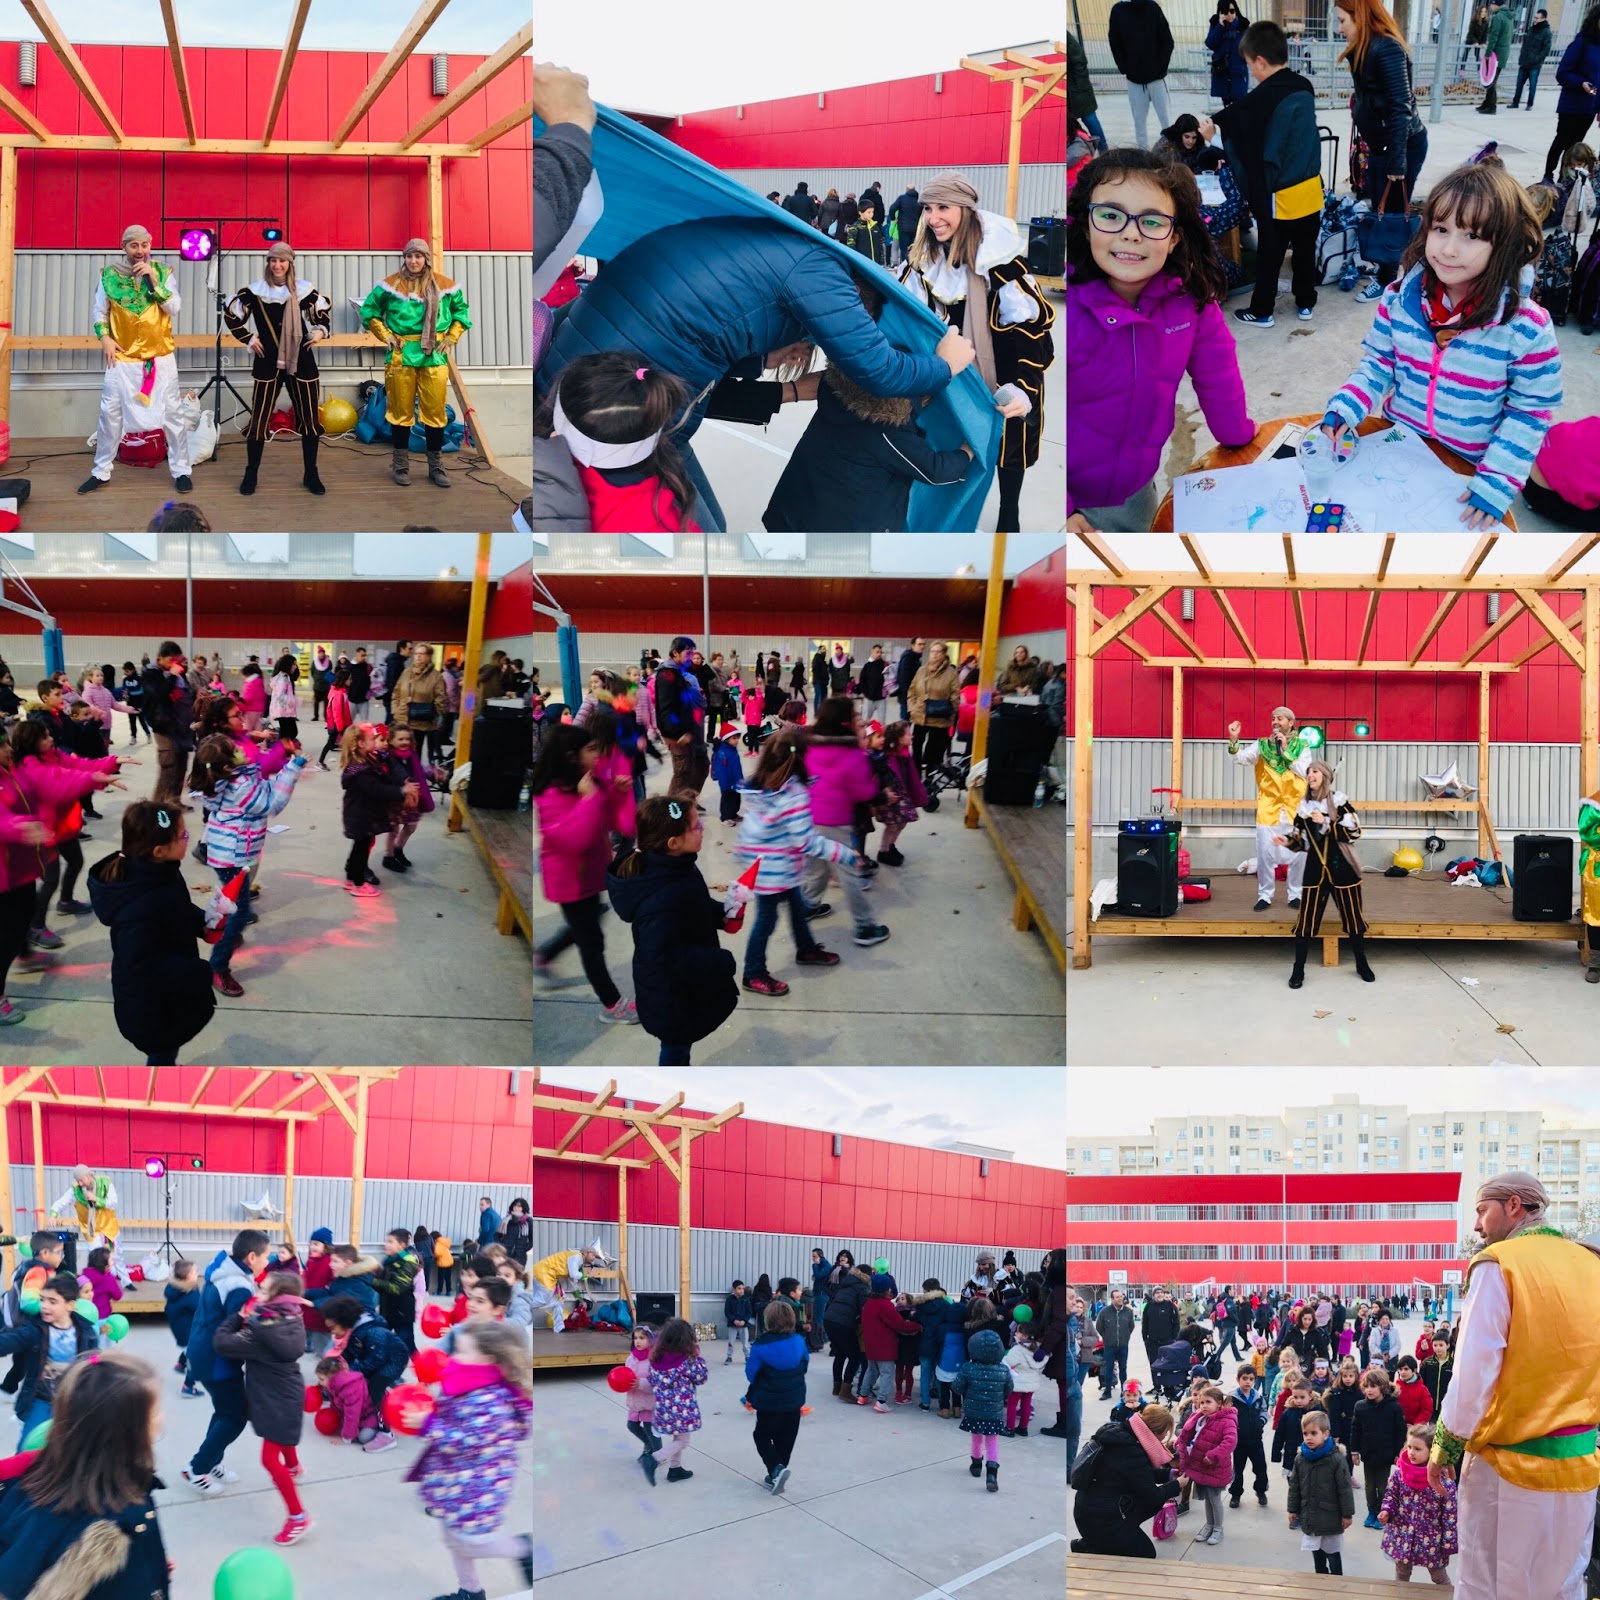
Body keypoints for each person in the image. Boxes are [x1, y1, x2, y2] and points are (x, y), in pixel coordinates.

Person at [540, 220, 973, 534]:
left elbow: (708, 342)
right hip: (613, 406)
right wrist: (945, 366)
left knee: (709, 529)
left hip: (593, 368)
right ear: (853, 306)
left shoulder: (781, 250)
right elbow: (880, 370)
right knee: (702, 541)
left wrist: (764, 362)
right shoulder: (821, 276)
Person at [1323, 157, 1560, 528]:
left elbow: (1530, 411)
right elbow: (1380, 364)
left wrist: (1497, 480)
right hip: (1397, 445)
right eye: (1441, 229)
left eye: (1472, 236)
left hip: (1467, 470)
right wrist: (1348, 405)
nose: (1449, 249)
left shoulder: (1527, 328)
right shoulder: (1398, 299)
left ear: (1505, 244)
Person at [1428, 1173, 1600, 1600]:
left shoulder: (1498, 1263)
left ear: (1514, 1205)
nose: (1477, 1225)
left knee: (1486, 1584)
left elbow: (1474, 1373)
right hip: (1581, 1468)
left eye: (1481, 1211)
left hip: (1506, 1471)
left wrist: (1444, 1448)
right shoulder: (1591, 1263)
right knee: (1564, 1586)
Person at [1066, 148, 1255, 533]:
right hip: (1069, 496)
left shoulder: (1191, 301)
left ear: (1173, 238)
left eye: (1152, 221)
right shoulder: (1063, 309)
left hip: (1137, 488)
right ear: (1086, 226)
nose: (1130, 233)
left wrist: (1238, 437)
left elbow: (1218, 375)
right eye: (1111, 215)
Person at [897, 172, 1055, 532]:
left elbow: (1031, 331)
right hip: (952, 371)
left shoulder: (1001, 262)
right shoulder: (923, 261)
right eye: (928, 208)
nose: (933, 217)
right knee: (953, 443)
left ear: (965, 209)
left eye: (943, 207)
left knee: (1010, 446)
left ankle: (1009, 513)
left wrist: (1022, 386)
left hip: (1006, 371)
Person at [0, 1350, 172, 1597]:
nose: (162, 1417)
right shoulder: (112, 1527)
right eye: (154, 1411)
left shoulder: (37, 1477)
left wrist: (150, 1563)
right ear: (125, 1431)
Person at [1207, 22, 1324, 330]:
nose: (1251, 72)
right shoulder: (1304, 86)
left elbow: (1242, 139)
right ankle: (1306, 303)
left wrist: (1212, 135)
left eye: (1249, 65)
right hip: (1311, 189)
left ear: (1259, 61)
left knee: (1270, 255)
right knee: (1304, 251)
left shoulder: (1261, 98)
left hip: (1280, 195)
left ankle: (1262, 311)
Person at [607, 793, 738, 1066]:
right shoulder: (660, 896)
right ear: (673, 842)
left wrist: (722, 913)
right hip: (671, 995)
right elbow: (663, 956)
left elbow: (693, 905)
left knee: (679, 1043)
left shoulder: (678, 865)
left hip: (681, 987)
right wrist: (721, 960)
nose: (702, 828)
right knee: (675, 1048)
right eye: (695, 826)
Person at [405, 1320, 534, 1589]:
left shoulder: (491, 1401)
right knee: (453, 1540)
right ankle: (470, 1590)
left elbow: (468, 1441)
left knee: (470, 1542)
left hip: (477, 1484)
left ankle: (523, 1549)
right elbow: (450, 1415)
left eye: (462, 1352)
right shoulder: (463, 1381)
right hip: (454, 1477)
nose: (453, 1357)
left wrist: (428, 1424)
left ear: (487, 1360)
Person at [86, 801, 213, 1066]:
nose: (188, 838)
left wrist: (203, 921)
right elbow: (142, 967)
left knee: (166, 1049)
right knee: (162, 1052)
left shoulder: (161, 872)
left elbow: (177, 908)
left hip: (167, 994)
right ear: (159, 850)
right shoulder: (138, 907)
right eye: (183, 835)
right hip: (152, 1007)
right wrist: (200, 970)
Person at [735, 728, 853, 996]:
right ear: (800, 757)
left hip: (769, 865)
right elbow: (806, 841)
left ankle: (806, 949)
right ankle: (753, 972)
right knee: (766, 920)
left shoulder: (760, 785)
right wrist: (844, 853)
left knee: (798, 907)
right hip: (774, 871)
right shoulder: (793, 794)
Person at [80, 223, 192, 495]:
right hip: (122, 359)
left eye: (144, 245)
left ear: (150, 246)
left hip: (160, 358)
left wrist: (154, 280)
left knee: (173, 416)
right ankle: (101, 471)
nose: (140, 251)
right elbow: (99, 312)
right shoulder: (109, 276)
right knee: (109, 415)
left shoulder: (163, 273)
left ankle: (181, 470)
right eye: (134, 246)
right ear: (124, 247)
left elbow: (174, 307)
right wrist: (105, 338)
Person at [1336, 0, 1430, 303]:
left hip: (1400, 146)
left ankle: (1388, 279)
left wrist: (1397, 161)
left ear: (1360, 16)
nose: (1340, 28)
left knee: (1390, 214)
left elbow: (1401, 107)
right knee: (1380, 207)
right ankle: (1385, 267)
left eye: (1342, 20)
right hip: (1384, 146)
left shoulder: (1386, 48)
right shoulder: (1367, 48)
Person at [212, 1270, 314, 1546]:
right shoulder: (292, 1317)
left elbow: (222, 1342)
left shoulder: (260, 1331)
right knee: (281, 1436)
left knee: (269, 1459)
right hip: (288, 1393)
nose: (258, 1292)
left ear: (278, 1297)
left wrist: (239, 1316)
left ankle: (298, 1517)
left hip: (275, 1400)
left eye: (264, 1290)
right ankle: (293, 1467)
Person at [360, 239, 470, 489]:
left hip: (434, 355)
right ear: (404, 258)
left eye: (418, 256)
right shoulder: (390, 286)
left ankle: (436, 466)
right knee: (400, 411)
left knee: (435, 412)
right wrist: (386, 335)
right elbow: (369, 311)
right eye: (409, 256)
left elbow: (461, 314)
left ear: (426, 259)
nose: (413, 261)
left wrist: (451, 338)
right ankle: (400, 465)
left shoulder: (445, 286)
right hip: (402, 354)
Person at [224, 240, 332, 495]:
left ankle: (311, 473)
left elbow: (320, 317)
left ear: (289, 263)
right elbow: (232, 316)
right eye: (273, 260)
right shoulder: (255, 291)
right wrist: (248, 338)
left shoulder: (304, 290)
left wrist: (319, 332)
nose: (277, 265)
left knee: (309, 418)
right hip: (267, 360)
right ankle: (251, 473)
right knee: (260, 419)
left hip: (301, 359)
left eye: (282, 260)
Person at [183, 1228, 271, 1495]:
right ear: (252, 1257)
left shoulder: (222, 1270)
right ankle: (197, 1468)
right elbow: (240, 1329)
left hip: (203, 1350)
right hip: (216, 1358)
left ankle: (211, 1461)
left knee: (224, 1411)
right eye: (266, 1256)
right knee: (235, 1416)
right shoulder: (238, 1286)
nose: (268, 1261)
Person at [1276, 756, 1374, 987]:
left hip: (1342, 869)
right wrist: (1286, 841)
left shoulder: (1340, 802)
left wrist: (1328, 821)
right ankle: (1298, 970)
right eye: (1309, 772)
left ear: (1325, 776)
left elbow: (1356, 832)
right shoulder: (1303, 808)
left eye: (1315, 772)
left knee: (1353, 918)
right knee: (1306, 921)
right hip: (1314, 870)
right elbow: (1300, 841)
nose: (1310, 775)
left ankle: (1362, 963)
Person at [1225, 708, 1312, 913]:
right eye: (1273, 718)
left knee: (1299, 854)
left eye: (1280, 718)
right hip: (1268, 808)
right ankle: (1265, 895)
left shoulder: (1302, 746)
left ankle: (1296, 894)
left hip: (1295, 809)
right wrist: (1234, 739)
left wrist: (1286, 750)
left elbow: (1304, 771)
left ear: (1290, 722)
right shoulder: (1262, 745)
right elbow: (1240, 758)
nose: (1275, 722)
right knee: (1265, 854)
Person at [339, 722, 413, 899]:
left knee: (359, 847)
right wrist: (401, 791)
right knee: (361, 851)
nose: (377, 742)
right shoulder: (359, 769)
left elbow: (385, 776)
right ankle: (358, 885)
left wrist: (402, 783)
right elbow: (377, 789)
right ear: (361, 744)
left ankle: (351, 878)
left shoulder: (368, 760)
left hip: (364, 814)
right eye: (373, 739)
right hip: (360, 816)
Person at [1381, 1422, 1459, 1584]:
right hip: (1403, 1534)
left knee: (1438, 1576)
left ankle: (1447, 1595)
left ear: (1432, 1452)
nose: (1411, 1452)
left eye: (1417, 1449)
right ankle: (1400, 1595)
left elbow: (1450, 1515)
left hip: (1432, 1539)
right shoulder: (1399, 1474)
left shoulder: (1443, 1482)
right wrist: (1386, 1510)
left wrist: (1448, 1542)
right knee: (1402, 1573)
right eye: (1409, 1447)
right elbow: (1391, 1495)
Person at [640, 1317, 708, 1486]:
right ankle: (654, 1459)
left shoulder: (656, 1360)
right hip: (682, 1411)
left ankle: (675, 1469)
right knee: (683, 1441)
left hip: (663, 1410)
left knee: (678, 1438)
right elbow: (701, 1377)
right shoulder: (688, 1361)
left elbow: (651, 1380)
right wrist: (697, 1357)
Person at [1288, 1407, 1355, 1576]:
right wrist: (1293, 1509)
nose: (1308, 1437)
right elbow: (1294, 1486)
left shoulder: (1336, 1459)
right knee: (1316, 1552)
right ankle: (1320, 1579)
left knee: (1332, 1553)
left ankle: (1336, 1580)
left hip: (1331, 1517)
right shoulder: (1300, 1458)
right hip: (1310, 1516)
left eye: (1313, 1433)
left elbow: (1345, 1489)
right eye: (1305, 1433)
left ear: (1325, 1434)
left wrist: (1347, 1514)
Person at [1108, 0, 1176, 148]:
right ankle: (1143, 155)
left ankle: (1171, 153)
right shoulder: (1118, 11)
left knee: (1166, 122)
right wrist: (1125, 68)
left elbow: (1167, 40)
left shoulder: (1152, 7)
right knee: (1139, 124)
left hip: (1157, 79)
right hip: (1134, 80)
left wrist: (1161, 67)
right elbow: (1114, 41)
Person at [1178, 1380, 1239, 1543]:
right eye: (1202, 1402)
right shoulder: (1200, 1418)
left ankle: (1218, 1528)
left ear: (1219, 1403)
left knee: (1214, 1498)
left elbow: (1230, 1441)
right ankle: (1209, 1525)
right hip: (1202, 1466)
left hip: (1215, 1467)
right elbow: (1190, 1434)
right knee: (1208, 1498)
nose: (1204, 1405)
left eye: (1208, 1402)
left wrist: (1213, 1455)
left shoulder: (1227, 1420)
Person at [1546, 8, 1600, 182]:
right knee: (1561, 141)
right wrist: (1581, 82)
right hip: (1572, 104)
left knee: (1575, 146)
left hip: (1590, 107)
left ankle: (1564, 180)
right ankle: (1548, 175)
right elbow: (1563, 73)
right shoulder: (1581, 43)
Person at [140, 642, 196, 806]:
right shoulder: (151, 674)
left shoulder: (179, 675)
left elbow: (185, 694)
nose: (174, 664)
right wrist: (172, 676)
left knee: (181, 764)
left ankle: (174, 801)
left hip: (180, 724)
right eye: (171, 660)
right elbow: (159, 695)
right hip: (162, 725)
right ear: (160, 658)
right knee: (169, 765)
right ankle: (157, 806)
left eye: (176, 660)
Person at [1352, 1365, 1408, 1529]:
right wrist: (1354, 1451)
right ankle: (1371, 1512)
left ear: (1382, 1387)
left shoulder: (1393, 1407)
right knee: (1370, 1487)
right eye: (1366, 1386)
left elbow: (1400, 1431)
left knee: (1383, 1487)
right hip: (1368, 1454)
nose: (1369, 1390)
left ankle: (1382, 1513)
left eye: (1373, 1386)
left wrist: (1398, 1452)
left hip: (1386, 1455)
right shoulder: (1360, 1407)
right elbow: (1355, 1430)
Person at [907, 640, 961, 783]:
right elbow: (912, 690)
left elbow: (956, 695)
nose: (934, 654)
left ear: (944, 654)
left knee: (933, 751)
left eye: (938, 652)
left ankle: (929, 778)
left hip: (940, 717)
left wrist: (951, 710)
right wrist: (912, 708)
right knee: (916, 747)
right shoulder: (921, 670)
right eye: (932, 651)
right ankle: (916, 777)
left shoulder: (951, 673)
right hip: (920, 715)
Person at [1229, 1362, 1270, 1507]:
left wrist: (1261, 1422)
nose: (1248, 1382)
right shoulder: (1232, 1398)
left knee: (1261, 1468)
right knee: (1237, 1470)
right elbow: (1226, 1414)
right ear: (1238, 1379)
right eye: (1244, 1378)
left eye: (1251, 1379)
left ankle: (1261, 1491)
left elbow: (1264, 1411)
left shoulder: (1258, 1397)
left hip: (1255, 1440)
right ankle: (1235, 1494)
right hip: (1239, 1442)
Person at [165, 1257, 202, 1396]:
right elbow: (203, 1309)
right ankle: (188, 1386)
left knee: (188, 1349)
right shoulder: (190, 1295)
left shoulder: (174, 1289)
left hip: (179, 1328)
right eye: (195, 1272)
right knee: (195, 1357)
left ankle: (181, 1364)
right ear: (187, 1276)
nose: (197, 1273)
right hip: (188, 1331)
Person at [1095, 1288, 1135, 1400]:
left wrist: (1125, 1337)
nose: (1120, 1299)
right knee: (1108, 1368)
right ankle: (1107, 1392)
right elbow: (1099, 1326)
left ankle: (1124, 1392)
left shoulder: (1128, 1312)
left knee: (1123, 1369)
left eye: (1121, 1296)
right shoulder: (1105, 1312)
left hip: (1123, 1346)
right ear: (1112, 1299)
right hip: (1109, 1346)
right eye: (1117, 1297)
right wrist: (1107, 1337)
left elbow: (1131, 1326)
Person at [1207, 3, 1251, 106]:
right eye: (1226, 12)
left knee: (1239, 106)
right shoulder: (1216, 25)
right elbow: (1210, 44)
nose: (1229, 14)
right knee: (1226, 106)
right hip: (1222, 72)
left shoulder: (1243, 26)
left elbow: (1250, 46)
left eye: (1232, 11)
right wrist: (1220, 27)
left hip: (1238, 73)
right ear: (1220, 13)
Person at [1512, 8, 1554, 108]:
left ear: (1543, 19)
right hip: (1524, 62)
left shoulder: (1546, 32)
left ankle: (1529, 104)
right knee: (1519, 84)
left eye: (1537, 18)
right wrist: (1521, 58)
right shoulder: (1532, 29)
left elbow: (1546, 49)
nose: (1535, 20)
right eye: (1535, 17)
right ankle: (1515, 102)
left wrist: (1536, 59)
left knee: (1532, 85)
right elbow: (1525, 45)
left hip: (1534, 65)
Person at [1477, 0, 1514, 113]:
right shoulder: (1508, 17)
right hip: (1502, 52)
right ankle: (1486, 103)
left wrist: (1488, 53)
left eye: (1491, 5)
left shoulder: (1498, 17)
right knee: (1492, 79)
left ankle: (1491, 106)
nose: (1490, 7)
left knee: (1491, 80)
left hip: (1496, 54)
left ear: (1496, 5)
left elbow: (1494, 37)